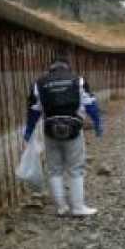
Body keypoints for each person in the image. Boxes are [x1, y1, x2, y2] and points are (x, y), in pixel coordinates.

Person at [24, 57, 102, 216]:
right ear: (67, 67)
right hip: (73, 130)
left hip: (50, 130)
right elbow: (90, 104)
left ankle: (61, 207)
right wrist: (98, 124)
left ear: (51, 68)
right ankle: (78, 208)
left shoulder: (39, 83)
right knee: (76, 169)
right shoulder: (78, 81)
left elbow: (33, 110)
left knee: (54, 170)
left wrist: (29, 131)